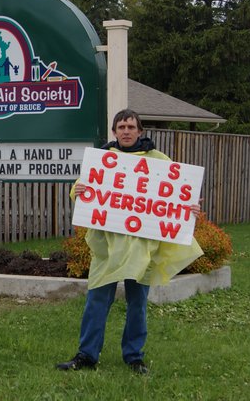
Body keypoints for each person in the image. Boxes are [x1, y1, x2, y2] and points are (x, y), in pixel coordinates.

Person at [56, 109, 204, 374]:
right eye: (121, 126)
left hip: (141, 248)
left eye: (131, 127)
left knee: (137, 305)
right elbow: (83, 189)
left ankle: (134, 357)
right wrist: (75, 190)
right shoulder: (104, 160)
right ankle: (86, 355)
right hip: (108, 248)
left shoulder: (158, 160)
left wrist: (188, 207)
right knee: (96, 302)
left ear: (140, 131)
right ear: (114, 132)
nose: (126, 131)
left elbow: (176, 194)